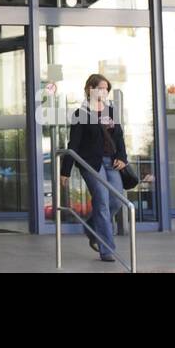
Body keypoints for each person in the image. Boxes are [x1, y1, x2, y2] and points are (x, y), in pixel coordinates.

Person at [59, 73, 129, 263]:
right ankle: (107, 250)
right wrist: (65, 170)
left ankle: (91, 224)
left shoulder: (110, 111)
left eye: (107, 88)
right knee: (102, 202)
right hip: (91, 164)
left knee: (116, 200)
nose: (104, 91)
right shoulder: (80, 114)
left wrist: (122, 157)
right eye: (101, 88)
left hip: (112, 162)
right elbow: (73, 143)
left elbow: (119, 137)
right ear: (90, 89)